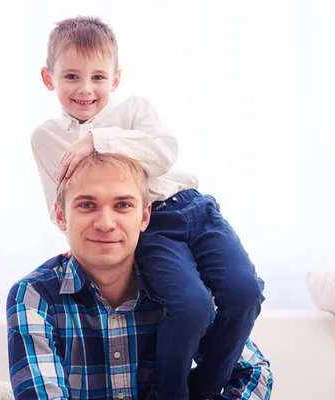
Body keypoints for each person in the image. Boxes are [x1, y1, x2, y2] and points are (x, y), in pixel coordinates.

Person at [31, 16, 267, 399]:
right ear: (49, 78)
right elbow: (61, 197)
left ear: (116, 79)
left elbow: (163, 153)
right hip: (149, 223)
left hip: (194, 208)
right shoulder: (47, 137)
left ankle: (207, 386)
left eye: (98, 77)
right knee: (190, 306)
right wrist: (76, 243)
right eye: (71, 77)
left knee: (246, 291)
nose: (85, 89)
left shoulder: (135, 110)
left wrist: (96, 141)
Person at [7, 152, 273, 400]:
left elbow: (253, 370)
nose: (106, 224)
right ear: (61, 216)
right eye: (87, 205)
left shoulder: (178, 290)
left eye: (122, 205)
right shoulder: (34, 297)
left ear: (145, 216)